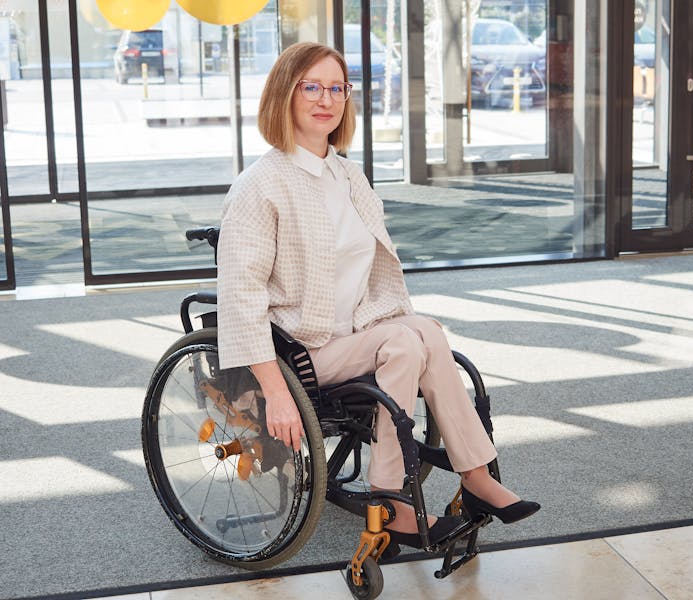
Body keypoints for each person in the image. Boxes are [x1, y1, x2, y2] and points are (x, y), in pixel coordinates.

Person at [216, 42, 539, 549]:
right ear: (285, 94)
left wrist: (391, 323)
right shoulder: (260, 185)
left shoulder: (347, 175)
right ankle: (393, 496)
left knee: (425, 331)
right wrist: (274, 389)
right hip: (298, 353)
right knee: (406, 343)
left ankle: (472, 476)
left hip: (355, 332)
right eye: (312, 87)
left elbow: (374, 271)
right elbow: (239, 296)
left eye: (337, 88)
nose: (327, 99)